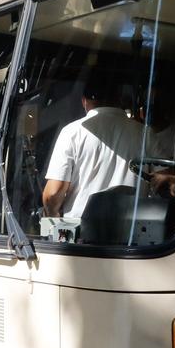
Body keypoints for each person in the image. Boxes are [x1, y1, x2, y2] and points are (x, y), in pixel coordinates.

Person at [40, 69, 146, 238]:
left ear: (84, 101)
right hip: (136, 235)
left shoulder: (73, 132)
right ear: (118, 99)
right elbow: (166, 180)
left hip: (83, 237)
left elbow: (53, 193)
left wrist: (53, 220)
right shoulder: (145, 133)